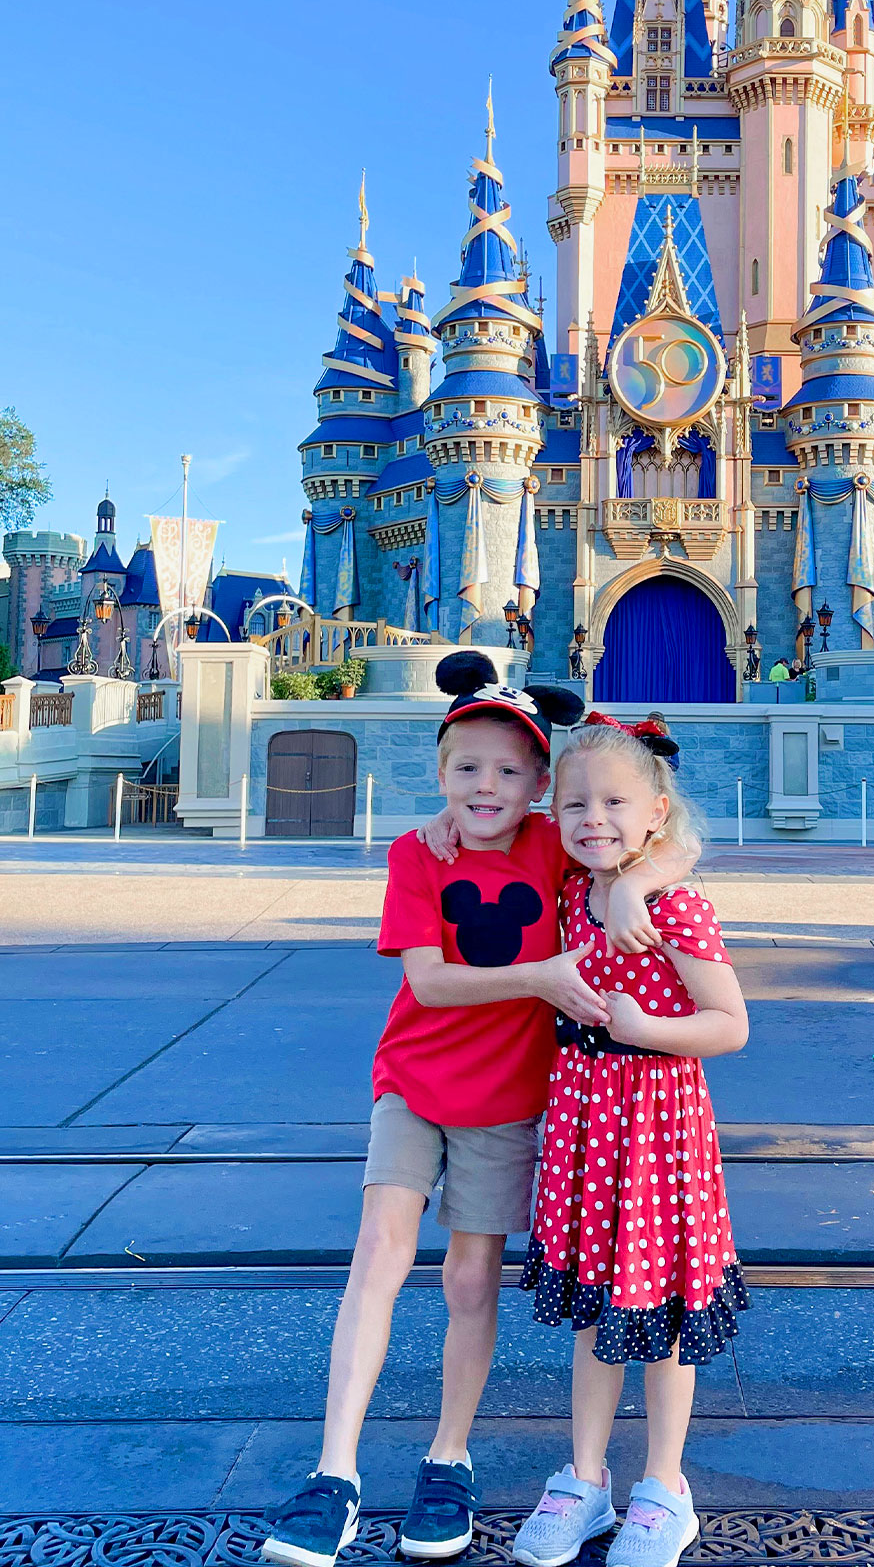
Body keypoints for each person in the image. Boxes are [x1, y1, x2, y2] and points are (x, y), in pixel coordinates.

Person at [261, 653, 603, 1567]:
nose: (484, 786)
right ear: (440, 775)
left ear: (539, 784)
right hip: (415, 1078)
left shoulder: (554, 845)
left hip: (508, 1097)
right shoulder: (418, 851)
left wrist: (642, 888)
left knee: (469, 1279)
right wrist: (542, 978)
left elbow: (642, 819)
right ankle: (334, 1472)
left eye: (507, 770)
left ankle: (447, 1458)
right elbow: (432, 983)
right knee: (379, 1250)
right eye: (466, 770)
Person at [511, 717, 751, 1567]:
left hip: (655, 1126)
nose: (593, 817)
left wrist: (649, 1027)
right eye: (575, 802)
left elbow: (731, 1026)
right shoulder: (577, 893)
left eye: (615, 801)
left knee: (665, 1317)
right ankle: (584, 1478)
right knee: (595, 1311)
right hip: (583, 1122)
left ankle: (665, 1487)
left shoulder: (673, 906)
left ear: (656, 812)